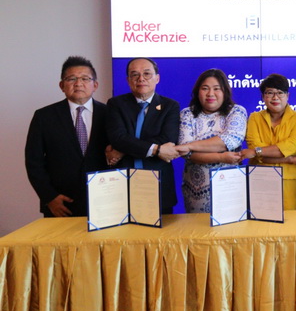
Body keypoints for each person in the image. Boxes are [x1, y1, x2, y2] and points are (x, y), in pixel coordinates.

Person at [25, 56, 117, 217]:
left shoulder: (110, 114)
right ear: (62, 85)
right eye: (71, 79)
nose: (78, 83)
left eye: (85, 78)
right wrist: (49, 197)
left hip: (104, 200)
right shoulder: (44, 116)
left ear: (95, 85)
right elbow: (33, 162)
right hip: (60, 204)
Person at [106, 57, 181, 214]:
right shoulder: (116, 104)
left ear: (157, 78)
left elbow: (168, 139)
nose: (141, 79)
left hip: (158, 182)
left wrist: (124, 149)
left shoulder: (170, 106)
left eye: (147, 74)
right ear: (128, 80)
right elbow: (118, 137)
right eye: (135, 74)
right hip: (123, 181)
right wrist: (156, 149)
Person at [176, 69, 247, 213]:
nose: (210, 94)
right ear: (197, 91)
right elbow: (186, 154)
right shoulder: (187, 114)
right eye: (205, 88)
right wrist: (221, 157)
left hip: (230, 187)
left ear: (225, 91)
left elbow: (229, 141)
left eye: (216, 89)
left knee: (233, 226)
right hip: (196, 191)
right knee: (197, 227)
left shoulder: (236, 111)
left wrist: (189, 146)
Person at [240, 74, 296, 210]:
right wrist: (290, 160)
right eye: (270, 93)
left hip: (289, 180)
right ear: (263, 97)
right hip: (259, 177)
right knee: (260, 219)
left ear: (287, 96)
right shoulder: (254, 118)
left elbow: (292, 146)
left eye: (280, 93)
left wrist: (257, 152)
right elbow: (254, 147)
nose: (275, 97)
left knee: (291, 220)